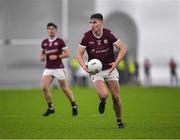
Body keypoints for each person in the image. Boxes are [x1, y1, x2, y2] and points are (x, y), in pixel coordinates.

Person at [76, 13, 126, 128]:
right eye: (90, 22)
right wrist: (84, 66)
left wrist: (116, 63)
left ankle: (119, 121)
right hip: (96, 71)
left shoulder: (109, 34)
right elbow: (79, 54)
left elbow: (123, 49)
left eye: (94, 22)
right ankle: (102, 102)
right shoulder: (86, 37)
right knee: (104, 95)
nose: (92, 25)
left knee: (116, 98)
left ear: (101, 23)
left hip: (110, 69)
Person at [40, 22, 78, 116]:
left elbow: (67, 54)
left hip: (58, 68)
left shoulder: (60, 41)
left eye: (53, 29)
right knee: (44, 88)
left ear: (55, 30)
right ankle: (50, 107)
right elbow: (41, 54)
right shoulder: (44, 42)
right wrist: (42, 57)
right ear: (47, 30)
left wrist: (57, 56)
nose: (51, 30)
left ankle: (73, 104)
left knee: (64, 88)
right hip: (48, 68)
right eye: (49, 29)